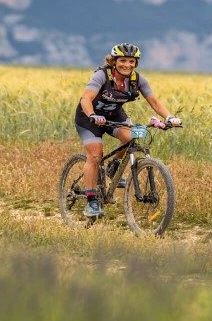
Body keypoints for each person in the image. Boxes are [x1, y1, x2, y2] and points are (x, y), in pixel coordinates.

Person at [75, 43, 181, 218]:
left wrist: (169, 117)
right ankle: (91, 201)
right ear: (114, 61)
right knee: (95, 155)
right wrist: (93, 115)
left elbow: (154, 102)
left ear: (135, 63)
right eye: (122, 60)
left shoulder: (137, 80)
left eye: (131, 61)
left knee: (133, 137)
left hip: (114, 116)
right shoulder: (102, 76)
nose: (127, 65)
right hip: (89, 118)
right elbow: (86, 98)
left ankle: (113, 167)